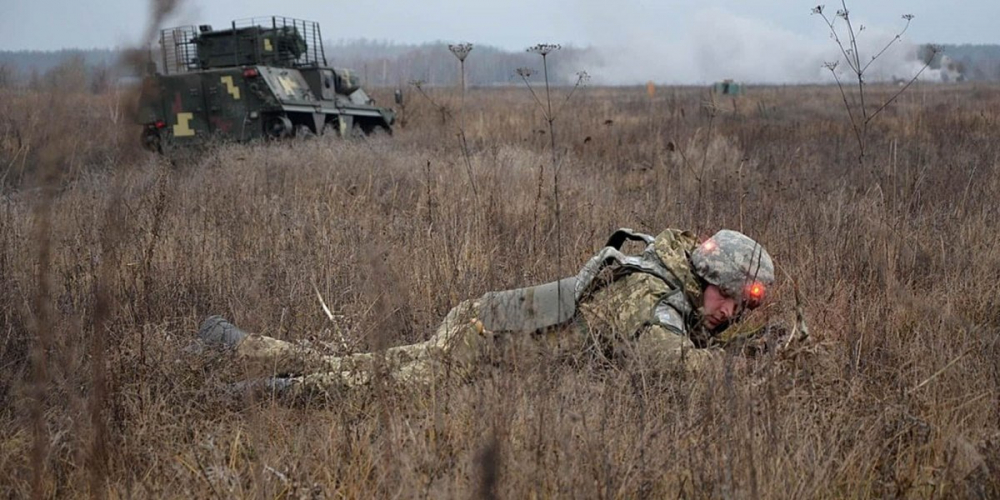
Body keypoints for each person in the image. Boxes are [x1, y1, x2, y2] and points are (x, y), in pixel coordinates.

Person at [198, 228, 775, 399]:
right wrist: (745, 371)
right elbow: (665, 357)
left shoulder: (666, 270)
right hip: (485, 347)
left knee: (361, 364)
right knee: (360, 385)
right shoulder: (651, 299)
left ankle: (229, 341)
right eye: (730, 298)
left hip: (489, 325)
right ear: (711, 279)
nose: (728, 313)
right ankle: (245, 394)